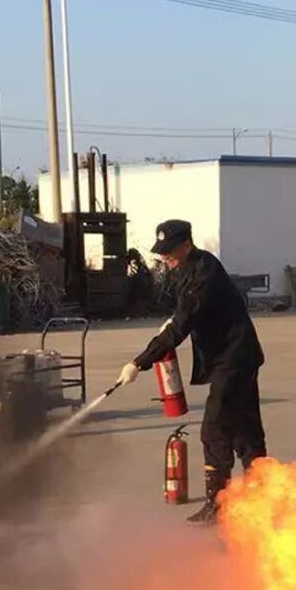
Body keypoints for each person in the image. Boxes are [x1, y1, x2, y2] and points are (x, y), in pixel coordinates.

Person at [117, 219, 266, 523]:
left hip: (234, 356)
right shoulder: (185, 269)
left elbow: (183, 324)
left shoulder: (205, 272)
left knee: (214, 428)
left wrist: (139, 362)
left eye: (170, 251)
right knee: (244, 426)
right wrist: (171, 322)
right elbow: (182, 313)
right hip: (230, 355)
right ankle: (262, 491)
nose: (165, 257)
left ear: (186, 245)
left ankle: (219, 503)